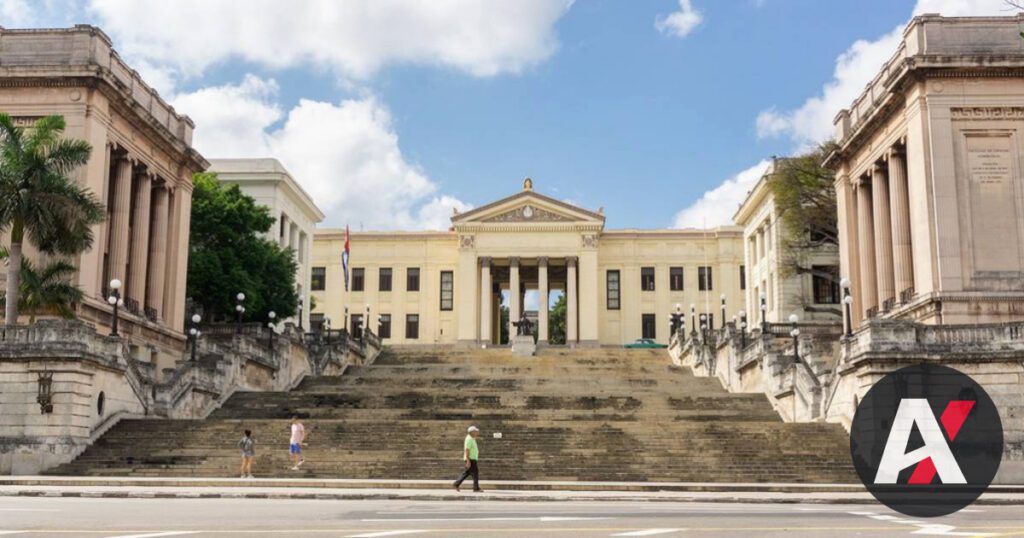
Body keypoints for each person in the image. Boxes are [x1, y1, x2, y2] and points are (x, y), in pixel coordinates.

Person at [453, 425, 483, 492]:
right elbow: (467, 450)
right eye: (475, 431)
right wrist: (468, 461)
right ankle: (476, 488)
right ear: (472, 432)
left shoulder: (472, 438)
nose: (477, 432)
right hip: (470, 459)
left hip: (472, 459)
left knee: (467, 473)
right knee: (475, 473)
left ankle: (456, 484)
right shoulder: (469, 439)